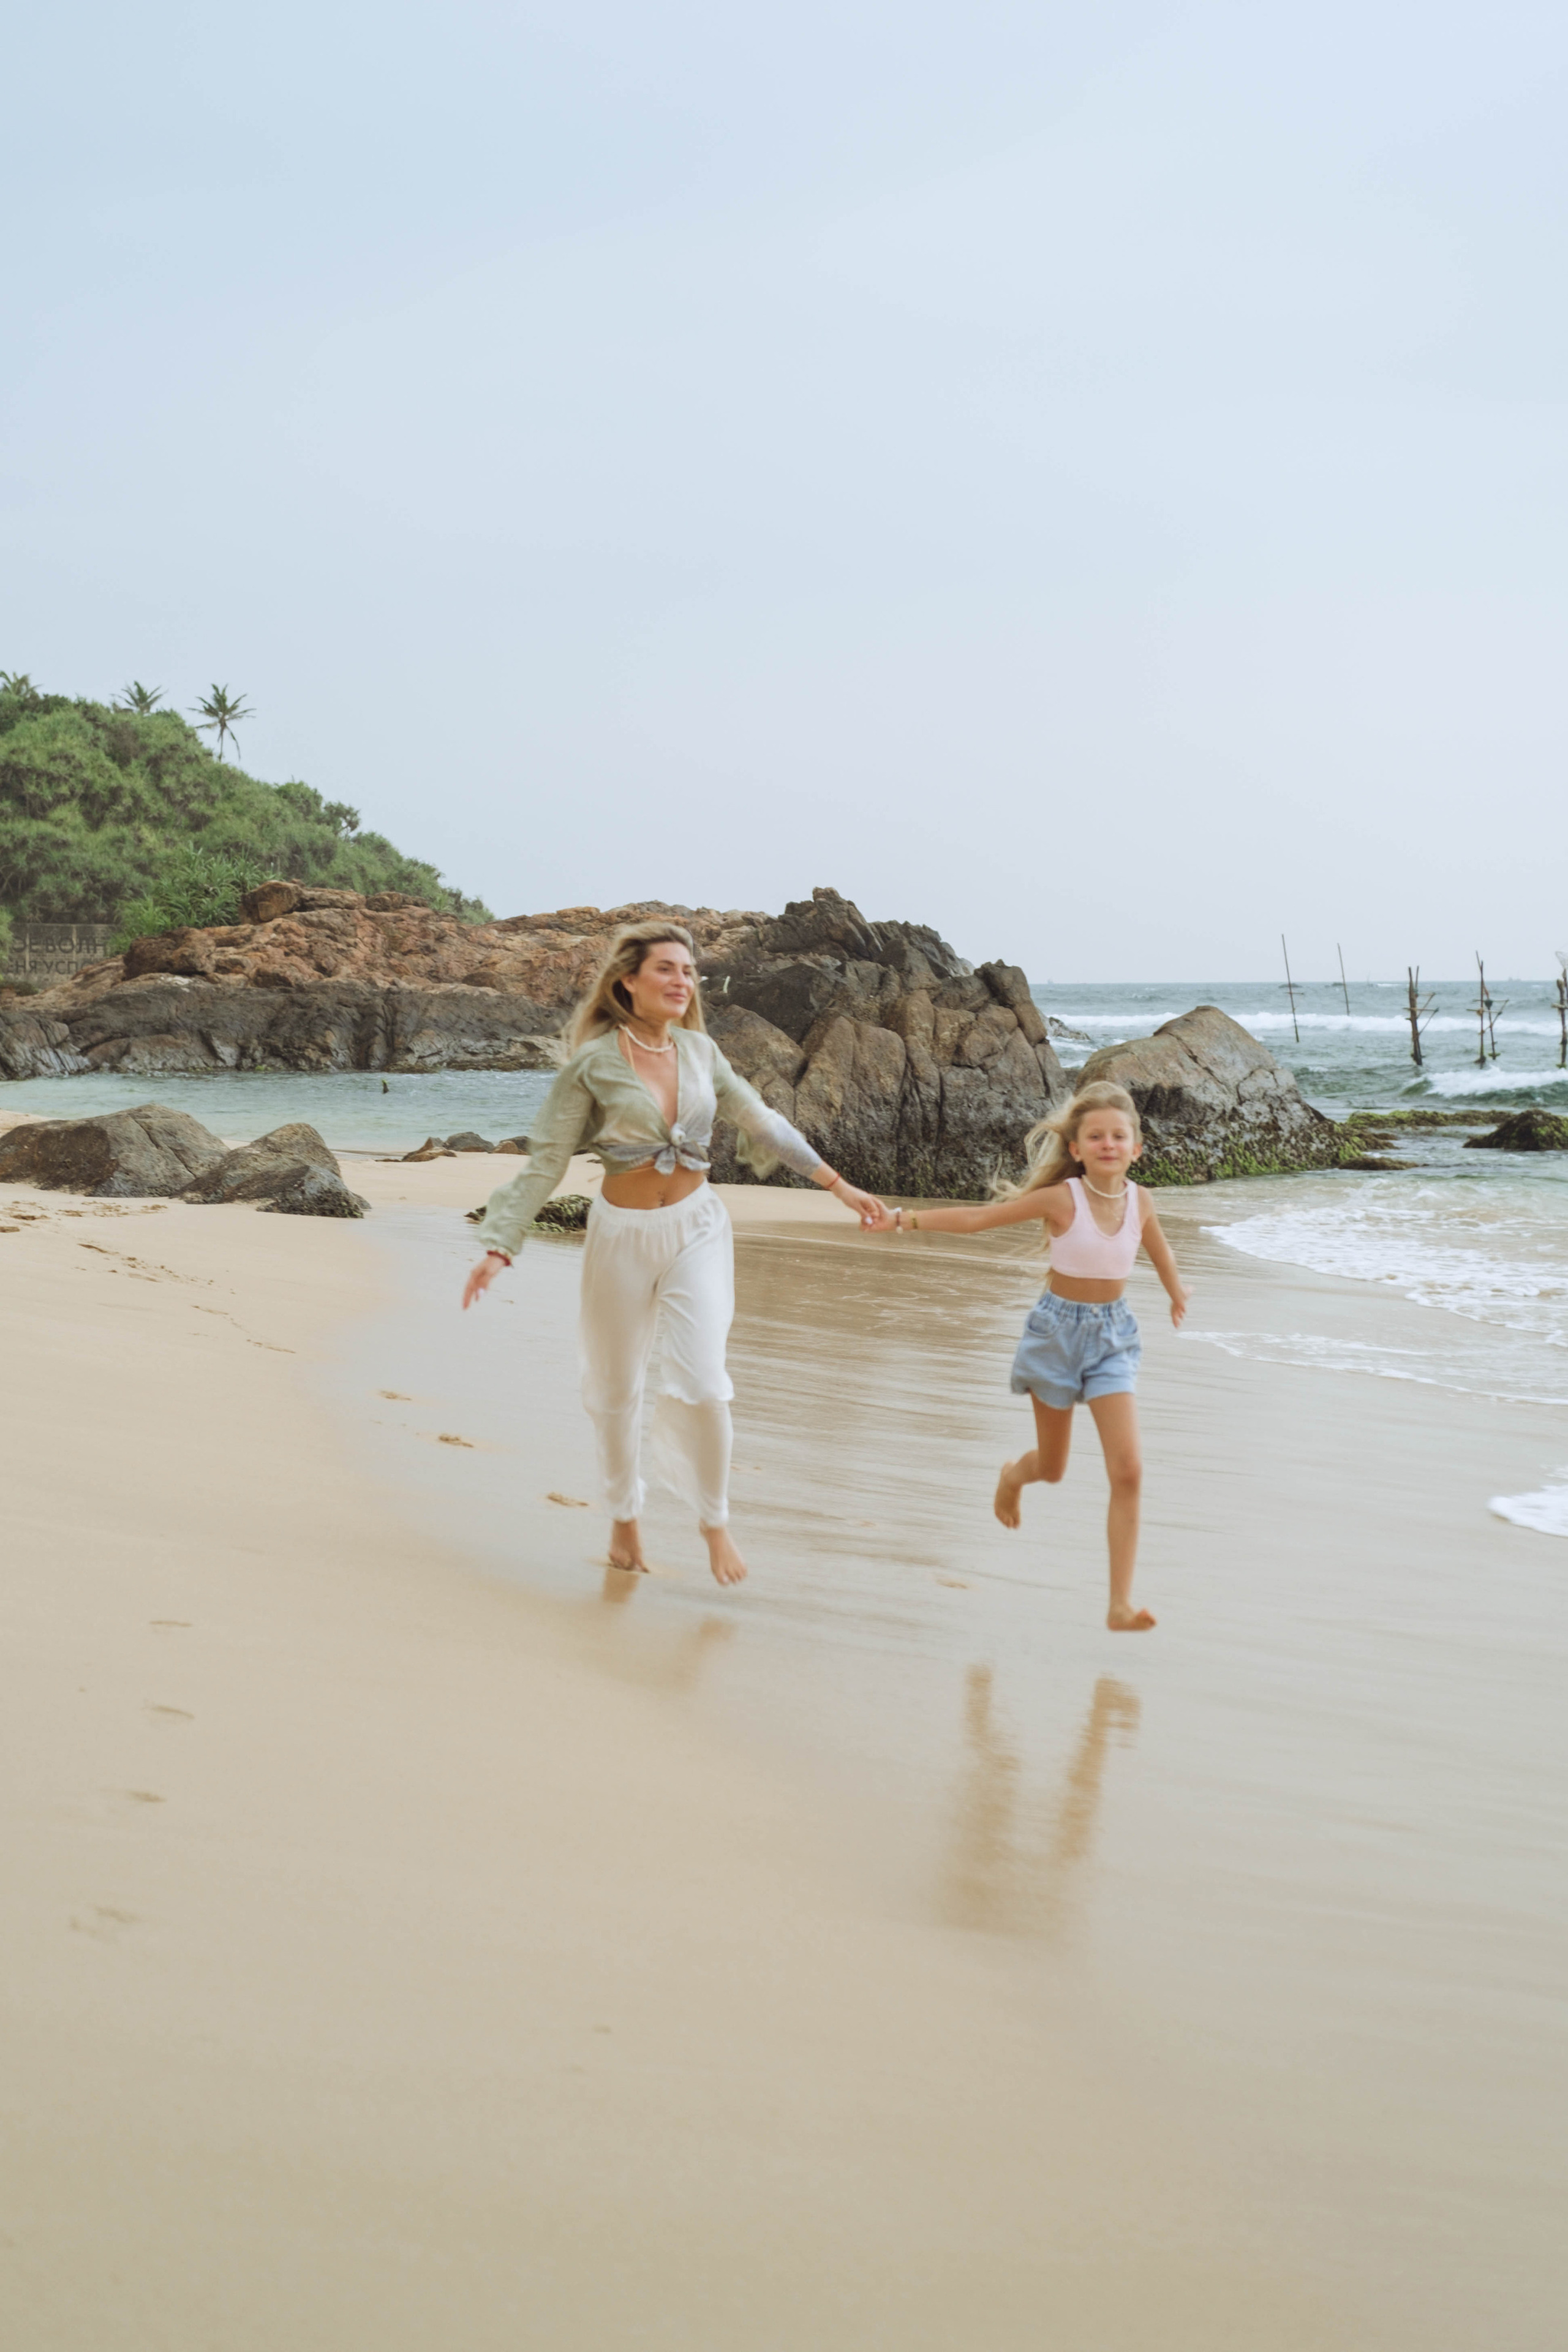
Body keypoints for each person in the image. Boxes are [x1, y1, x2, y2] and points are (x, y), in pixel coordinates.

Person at [461, 921, 883, 1586]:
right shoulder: (592, 1064)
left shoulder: (700, 1051)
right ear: (628, 980)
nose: (682, 982)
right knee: (614, 1389)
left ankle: (713, 1521)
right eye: (667, 969)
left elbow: (762, 1121)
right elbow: (544, 1161)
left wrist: (838, 1185)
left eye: (688, 971)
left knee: (704, 1381)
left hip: (697, 1229)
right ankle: (624, 1519)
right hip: (621, 1236)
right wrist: (500, 1244)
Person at [870, 1082, 1188, 1630]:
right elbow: (976, 1222)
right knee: (1054, 1467)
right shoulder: (1061, 1200)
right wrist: (901, 1218)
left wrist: (1177, 1293)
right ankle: (1014, 1477)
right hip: (1056, 1337)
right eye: (1096, 1136)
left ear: (1137, 1147)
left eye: (1119, 1135)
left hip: (1113, 1339)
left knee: (1129, 1471)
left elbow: (1159, 1251)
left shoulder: (1142, 1200)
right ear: (1076, 1149)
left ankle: (1119, 1603)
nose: (1108, 1143)